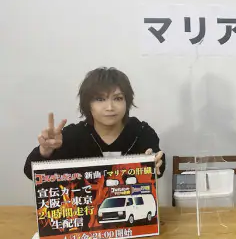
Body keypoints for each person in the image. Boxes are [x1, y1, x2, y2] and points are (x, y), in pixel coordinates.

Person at [24, 67, 165, 180]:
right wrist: (46, 152)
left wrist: (156, 162)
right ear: (87, 104)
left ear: (127, 102)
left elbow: (158, 168)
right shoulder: (73, 135)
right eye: (100, 99)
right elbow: (31, 173)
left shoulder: (141, 132)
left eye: (118, 98)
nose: (109, 107)